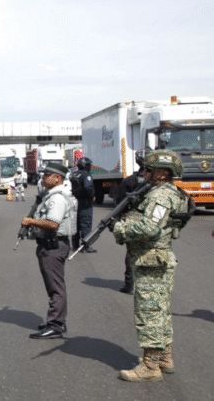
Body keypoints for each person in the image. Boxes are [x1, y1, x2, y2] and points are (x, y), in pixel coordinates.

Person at [113, 150, 190, 382]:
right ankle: (164, 358)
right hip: (157, 258)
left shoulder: (161, 196)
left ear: (163, 173)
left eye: (148, 169)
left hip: (152, 260)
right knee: (160, 311)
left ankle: (150, 367)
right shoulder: (167, 192)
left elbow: (149, 227)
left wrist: (120, 229)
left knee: (150, 313)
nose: (143, 173)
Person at [21, 162, 75, 339]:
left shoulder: (57, 198)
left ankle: (55, 325)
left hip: (53, 246)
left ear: (57, 178)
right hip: (50, 245)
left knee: (55, 288)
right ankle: (57, 321)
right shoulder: (50, 195)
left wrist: (31, 221)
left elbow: (52, 223)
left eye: (46, 175)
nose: (43, 178)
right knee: (54, 286)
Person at [110, 151, 147, 294]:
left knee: (132, 253)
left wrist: (118, 221)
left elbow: (120, 204)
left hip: (133, 221)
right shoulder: (159, 183)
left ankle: (130, 284)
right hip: (154, 222)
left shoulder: (128, 181)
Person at [72, 157, 97, 253]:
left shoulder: (74, 174)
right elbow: (88, 186)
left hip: (74, 201)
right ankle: (86, 246)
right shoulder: (86, 175)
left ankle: (75, 245)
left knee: (76, 224)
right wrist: (91, 196)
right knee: (86, 224)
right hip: (85, 202)